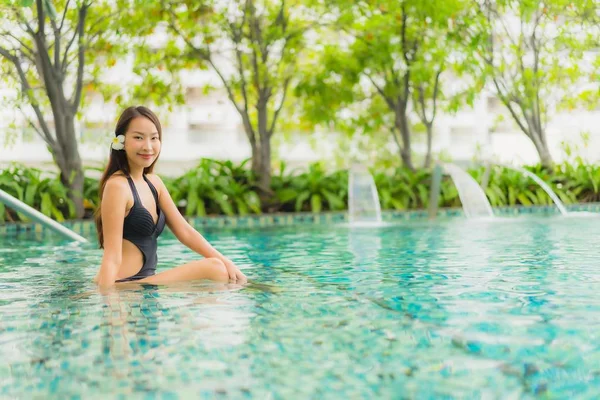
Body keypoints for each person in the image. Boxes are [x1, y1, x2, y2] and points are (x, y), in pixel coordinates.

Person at [94, 106, 247, 289]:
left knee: (221, 267)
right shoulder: (117, 186)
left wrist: (227, 261)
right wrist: (107, 303)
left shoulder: (154, 183)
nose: (148, 146)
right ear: (121, 141)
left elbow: (185, 231)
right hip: (124, 285)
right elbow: (112, 257)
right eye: (138, 137)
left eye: (154, 138)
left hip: (145, 284)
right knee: (215, 269)